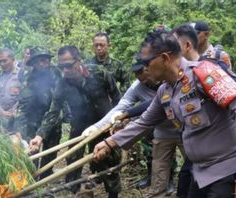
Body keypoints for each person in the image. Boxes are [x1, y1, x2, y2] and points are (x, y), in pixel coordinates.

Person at [94, 30, 236, 198]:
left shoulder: (204, 73)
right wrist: (110, 143)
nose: (144, 68)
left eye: (147, 62)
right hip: (200, 173)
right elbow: (145, 122)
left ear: (165, 58)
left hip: (226, 172)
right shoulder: (165, 91)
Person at [29, 45, 121, 198]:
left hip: (104, 125)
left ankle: (113, 195)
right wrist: (39, 136)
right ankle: (74, 192)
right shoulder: (62, 85)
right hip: (79, 127)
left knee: (110, 165)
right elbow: (53, 112)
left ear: (79, 61)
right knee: (72, 163)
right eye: (61, 67)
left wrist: (118, 121)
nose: (65, 71)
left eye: (68, 66)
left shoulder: (99, 73)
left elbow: (118, 98)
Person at [84, 59, 183, 197]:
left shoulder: (173, 79)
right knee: (158, 167)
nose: (146, 82)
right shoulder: (138, 87)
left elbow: (151, 104)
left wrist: (127, 115)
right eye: (140, 79)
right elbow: (126, 109)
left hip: (183, 130)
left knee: (193, 168)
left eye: (147, 76)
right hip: (161, 130)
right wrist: (98, 127)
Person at [14, 46, 63, 179]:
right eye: (40, 61)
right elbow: (22, 105)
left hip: (53, 119)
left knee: (51, 150)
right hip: (33, 120)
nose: (43, 63)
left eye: (46, 60)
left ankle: (46, 177)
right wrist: (18, 128)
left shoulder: (55, 73)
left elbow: (56, 102)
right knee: (32, 152)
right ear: (34, 62)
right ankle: (32, 180)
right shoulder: (28, 78)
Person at [0, 48, 21, 133]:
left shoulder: (21, 75)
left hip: (17, 120)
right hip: (1, 120)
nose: (2, 64)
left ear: (13, 59)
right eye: (0, 61)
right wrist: (2, 112)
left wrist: (13, 111)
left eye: (5, 61)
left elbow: (25, 97)